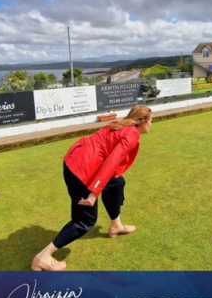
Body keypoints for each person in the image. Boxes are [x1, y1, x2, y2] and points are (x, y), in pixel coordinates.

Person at [31, 104, 153, 271]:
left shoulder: (120, 124)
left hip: (76, 160)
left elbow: (109, 159)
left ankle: (115, 225)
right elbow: (112, 162)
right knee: (84, 221)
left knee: (117, 182)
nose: (151, 124)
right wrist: (94, 193)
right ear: (143, 121)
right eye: (151, 121)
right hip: (82, 170)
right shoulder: (131, 134)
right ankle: (42, 257)